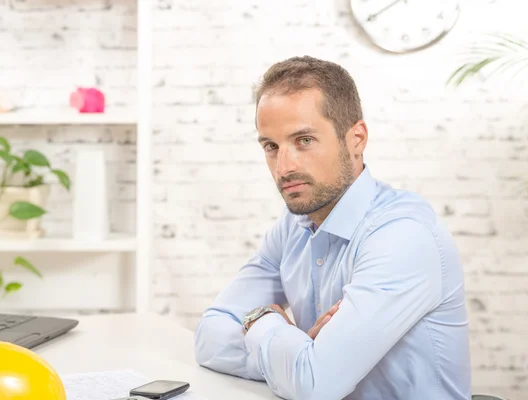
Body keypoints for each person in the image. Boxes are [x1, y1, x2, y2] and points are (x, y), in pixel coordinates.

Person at [193, 56, 471, 400]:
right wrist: (298, 353)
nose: (284, 167)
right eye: (271, 146)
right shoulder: (292, 227)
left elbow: (315, 385)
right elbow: (209, 336)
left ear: (356, 138)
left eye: (304, 140)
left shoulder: (403, 236)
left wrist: (260, 320)